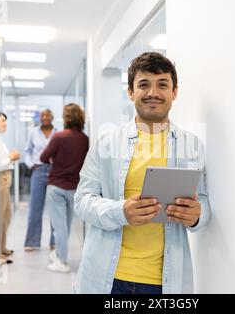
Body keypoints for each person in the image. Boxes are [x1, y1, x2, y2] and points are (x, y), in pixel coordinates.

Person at [73, 52, 211, 294]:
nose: (153, 93)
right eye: (143, 84)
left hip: (162, 281)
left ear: (174, 92)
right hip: (107, 276)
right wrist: (121, 211)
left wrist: (197, 216)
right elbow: (82, 201)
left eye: (162, 84)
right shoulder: (106, 142)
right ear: (130, 92)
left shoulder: (192, 145)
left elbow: (204, 204)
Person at [40, 104, 89, 273]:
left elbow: (43, 157)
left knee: (59, 226)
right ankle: (60, 254)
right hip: (74, 188)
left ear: (66, 118)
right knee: (65, 225)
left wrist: (55, 159)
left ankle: (62, 261)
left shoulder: (58, 137)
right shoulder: (84, 139)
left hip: (57, 187)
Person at [23, 109, 56, 252]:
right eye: (43, 116)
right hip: (38, 171)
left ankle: (55, 242)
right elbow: (27, 151)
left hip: (55, 172)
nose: (46, 118)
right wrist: (31, 165)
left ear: (52, 117)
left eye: (48, 115)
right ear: (40, 118)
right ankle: (32, 241)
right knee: (35, 208)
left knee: (56, 208)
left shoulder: (58, 132)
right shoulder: (33, 132)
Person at [0, 111, 20, 264]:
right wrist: (11, 157)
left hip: (4, 181)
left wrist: (10, 158)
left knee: (5, 216)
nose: (5, 123)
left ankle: (2, 247)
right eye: (2, 120)